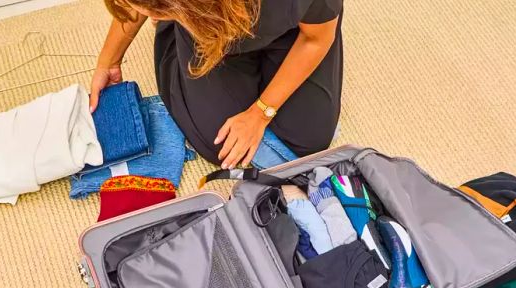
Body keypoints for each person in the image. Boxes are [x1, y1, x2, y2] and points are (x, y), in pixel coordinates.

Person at [91, 0, 343, 169]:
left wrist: (260, 114)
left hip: (295, 32)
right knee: (221, 144)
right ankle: (176, 36)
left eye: (160, 13)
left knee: (311, 141)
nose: (151, 19)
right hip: (206, 31)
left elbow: (316, 39)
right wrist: (109, 61)